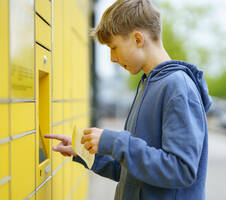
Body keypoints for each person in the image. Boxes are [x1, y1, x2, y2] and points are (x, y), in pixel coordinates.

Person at [44, 0, 212, 199]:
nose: (112, 58)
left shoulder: (177, 87)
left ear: (138, 39)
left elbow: (181, 170)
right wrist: (85, 152)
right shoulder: (148, 85)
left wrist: (114, 141)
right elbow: (133, 170)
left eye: (113, 47)